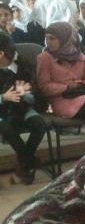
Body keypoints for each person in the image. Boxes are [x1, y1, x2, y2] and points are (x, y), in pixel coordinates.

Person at [0, 34, 47, 185]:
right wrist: (3, 98)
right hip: (2, 111)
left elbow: (35, 96)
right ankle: (29, 161)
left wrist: (25, 94)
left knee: (39, 125)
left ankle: (22, 163)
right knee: (7, 128)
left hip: (23, 108)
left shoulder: (23, 67)